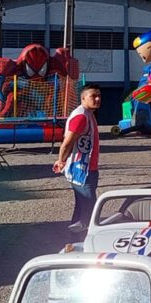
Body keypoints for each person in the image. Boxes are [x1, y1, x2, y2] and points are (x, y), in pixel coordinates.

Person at [54, 82, 102, 232]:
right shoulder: (81, 116)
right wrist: (61, 160)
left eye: (99, 96)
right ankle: (80, 240)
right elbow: (67, 143)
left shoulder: (88, 114)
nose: (97, 99)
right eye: (93, 96)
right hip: (82, 170)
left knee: (83, 208)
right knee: (90, 209)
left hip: (88, 168)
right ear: (83, 98)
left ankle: (73, 240)